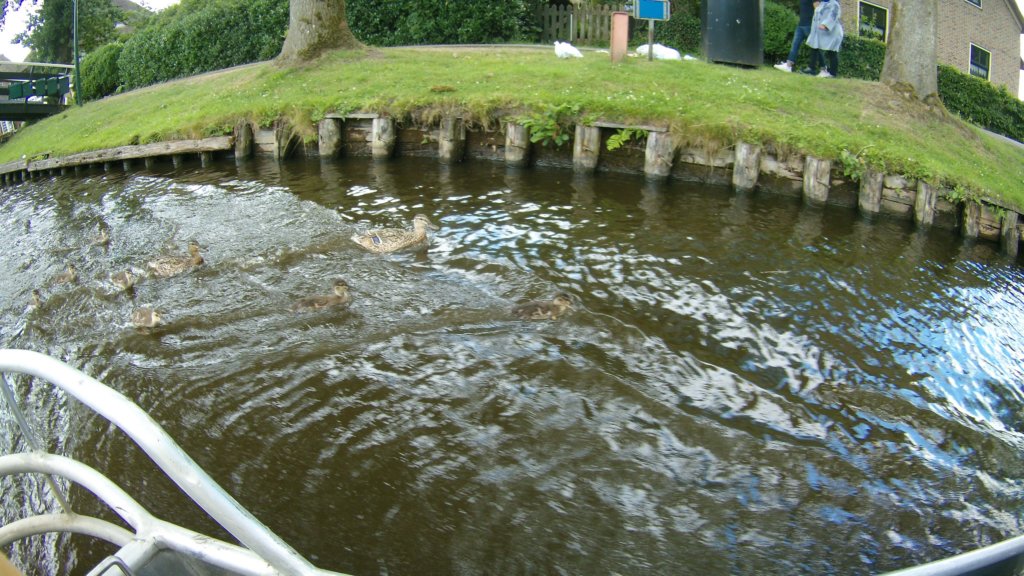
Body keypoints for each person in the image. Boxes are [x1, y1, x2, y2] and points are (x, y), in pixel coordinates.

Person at [774, 0, 815, 73]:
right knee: (795, 45)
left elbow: (818, 10)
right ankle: (788, 66)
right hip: (801, 25)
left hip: (810, 25)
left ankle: (822, 68)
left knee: (815, 47)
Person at [806, 0, 844, 78]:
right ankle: (811, 68)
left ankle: (832, 73)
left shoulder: (834, 3)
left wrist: (826, 24)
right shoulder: (822, 4)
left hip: (833, 32)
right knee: (814, 47)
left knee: (832, 51)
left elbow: (834, 14)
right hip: (821, 32)